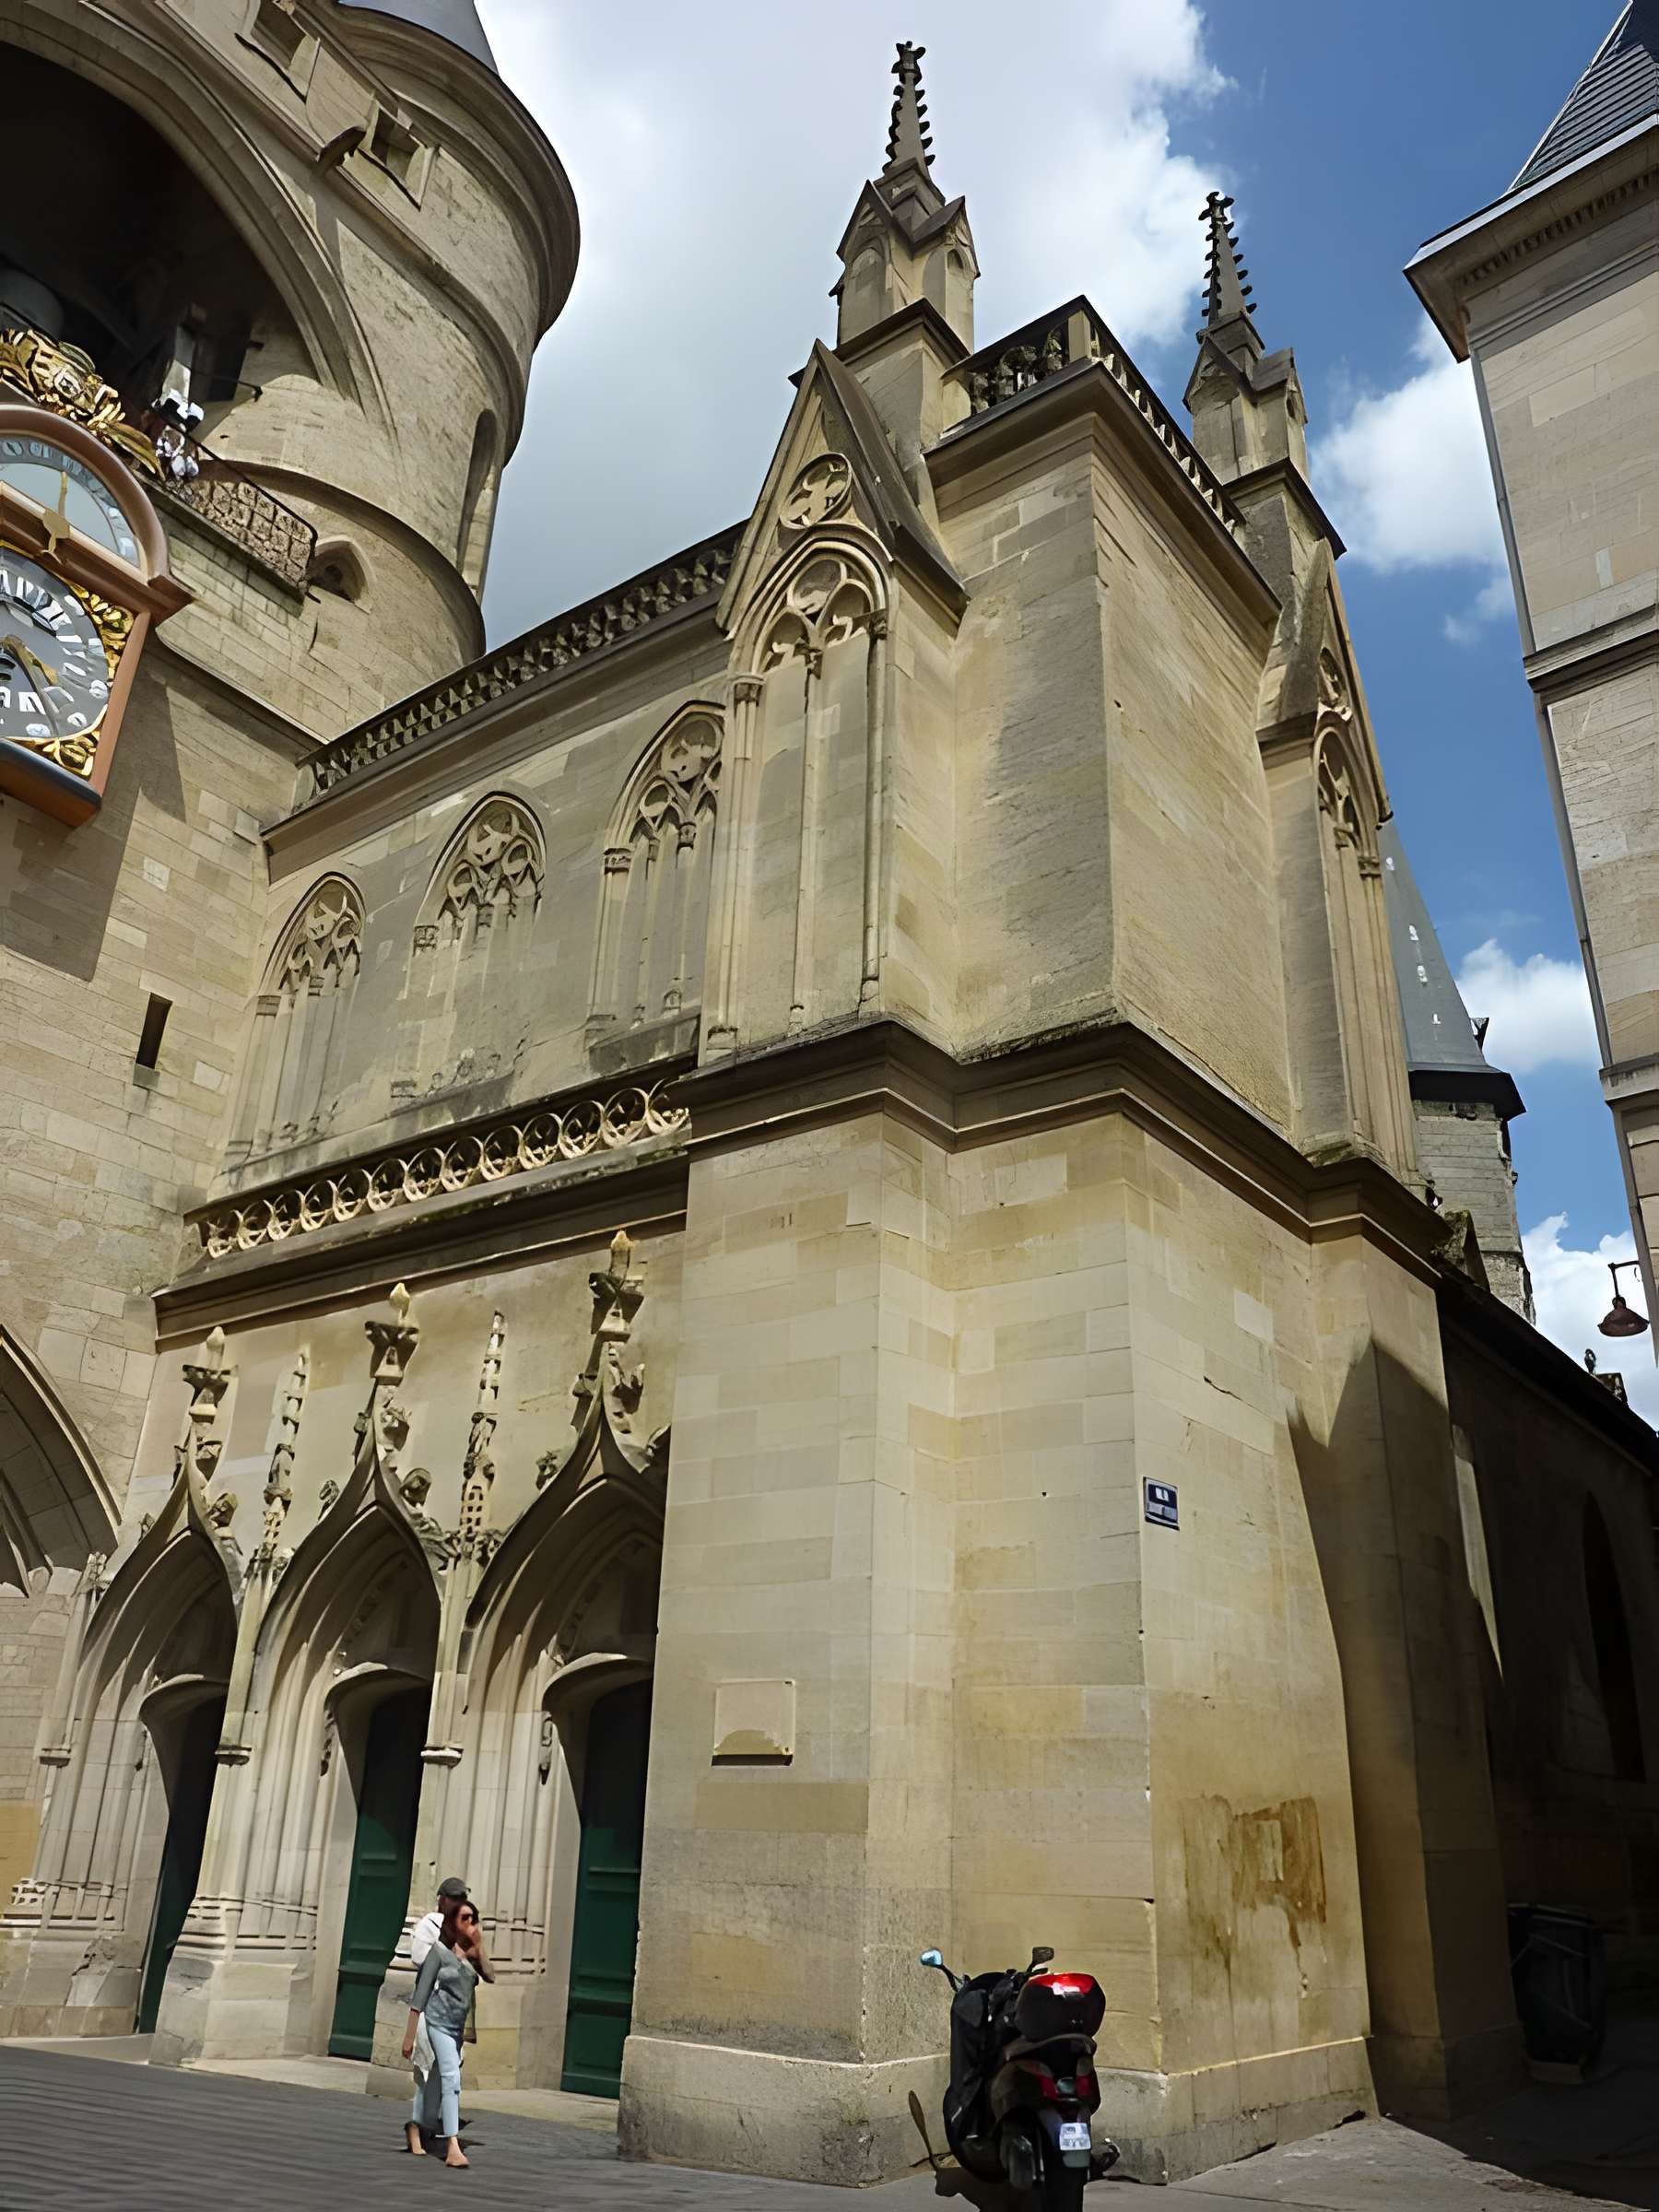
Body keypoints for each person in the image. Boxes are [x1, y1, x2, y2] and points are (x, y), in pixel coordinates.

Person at [403, 1896, 493, 2167]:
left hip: (456, 2028)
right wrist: (409, 2037)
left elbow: (490, 1976)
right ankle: (452, 2146)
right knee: (452, 2078)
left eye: (473, 1919)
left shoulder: (471, 1955)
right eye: (465, 1919)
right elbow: (420, 1996)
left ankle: (419, 2124)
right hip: (437, 2022)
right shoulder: (439, 1952)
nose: (471, 1924)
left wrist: (479, 1948)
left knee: (438, 2077)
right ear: (453, 1922)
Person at [409, 1876, 468, 2141]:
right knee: (425, 2069)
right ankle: (420, 2123)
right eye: (454, 1899)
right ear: (443, 1900)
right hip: (431, 2007)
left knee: (448, 2069)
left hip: (452, 2010)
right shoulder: (428, 1926)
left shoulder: (463, 1926)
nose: (458, 1904)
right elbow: (420, 1960)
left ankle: (431, 2124)